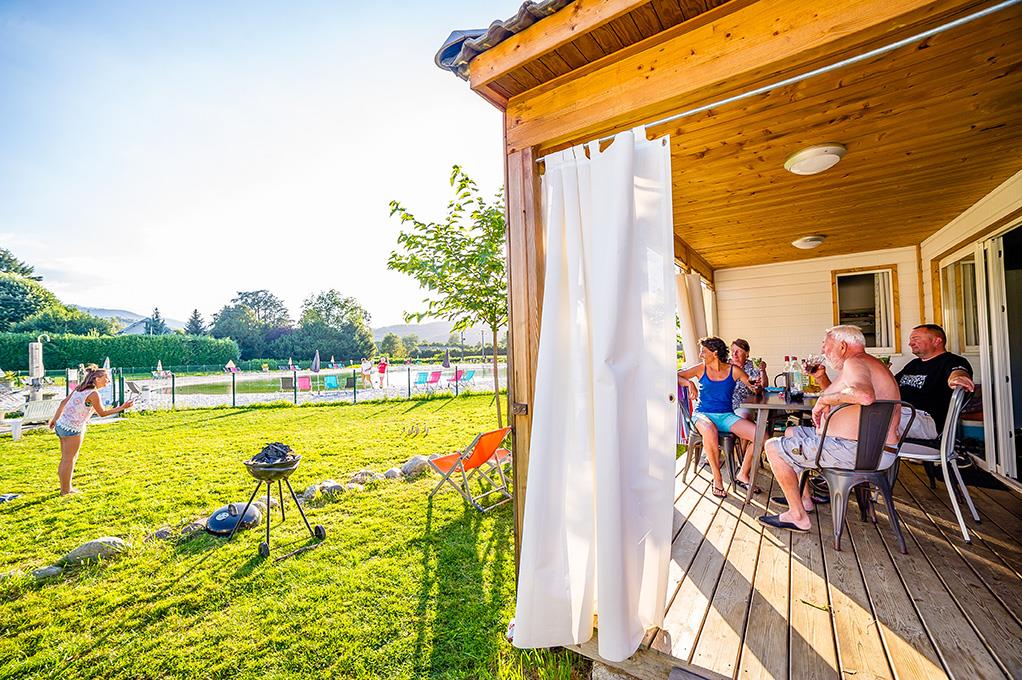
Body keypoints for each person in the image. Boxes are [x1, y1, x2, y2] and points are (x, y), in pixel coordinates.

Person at [760, 325, 900, 533]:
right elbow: (845, 398)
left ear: (842, 346)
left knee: (773, 447)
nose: (823, 350)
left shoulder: (855, 362)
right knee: (791, 432)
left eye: (826, 345)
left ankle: (797, 516)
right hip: (866, 448)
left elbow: (864, 396)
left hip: (858, 451)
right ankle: (804, 499)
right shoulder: (865, 363)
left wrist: (824, 400)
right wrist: (822, 380)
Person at [677, 337, 761, 499]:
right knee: (709, 429)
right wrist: (690, 384)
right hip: (702, 415)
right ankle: (717, 479)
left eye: (703, 351)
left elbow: (753, 388)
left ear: (715, 353)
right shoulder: (701, 368)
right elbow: (676, 376)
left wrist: (756, 386)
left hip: (726, 416)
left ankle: (743, 473)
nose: (700, 355)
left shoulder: (734, 370)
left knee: (761, 436)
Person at [47, 366, 133, 495]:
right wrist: (122, 407)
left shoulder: (80, 388)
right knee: (69, 459)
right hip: (72, 429)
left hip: (61, 425)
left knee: (66, 458)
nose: (108, 381)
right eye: (106, 378)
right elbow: (102, 413)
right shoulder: (93, 393)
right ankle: (65, 491)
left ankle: (66, 487)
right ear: (97, 379)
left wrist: (55, 419)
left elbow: (63, 403)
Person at [895, 324, 974, 439]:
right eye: (911, 340)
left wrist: (958, 378)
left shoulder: (952, 361)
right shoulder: (913, 364)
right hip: (902, 415)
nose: (910, 343)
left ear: (937, 341)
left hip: (926, 421)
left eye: (915, 339)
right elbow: (892, 384)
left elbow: (959, 372)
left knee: (879, 419)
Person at [730, 338, 766, 421]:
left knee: (744, 417)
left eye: (738, 351)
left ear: (746, 353)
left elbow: (763, 386)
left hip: (744, 405)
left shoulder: (753, 365)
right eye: (733, 351)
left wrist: (762, 371)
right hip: (725, 404)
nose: (734, 354)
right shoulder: (725, 366)